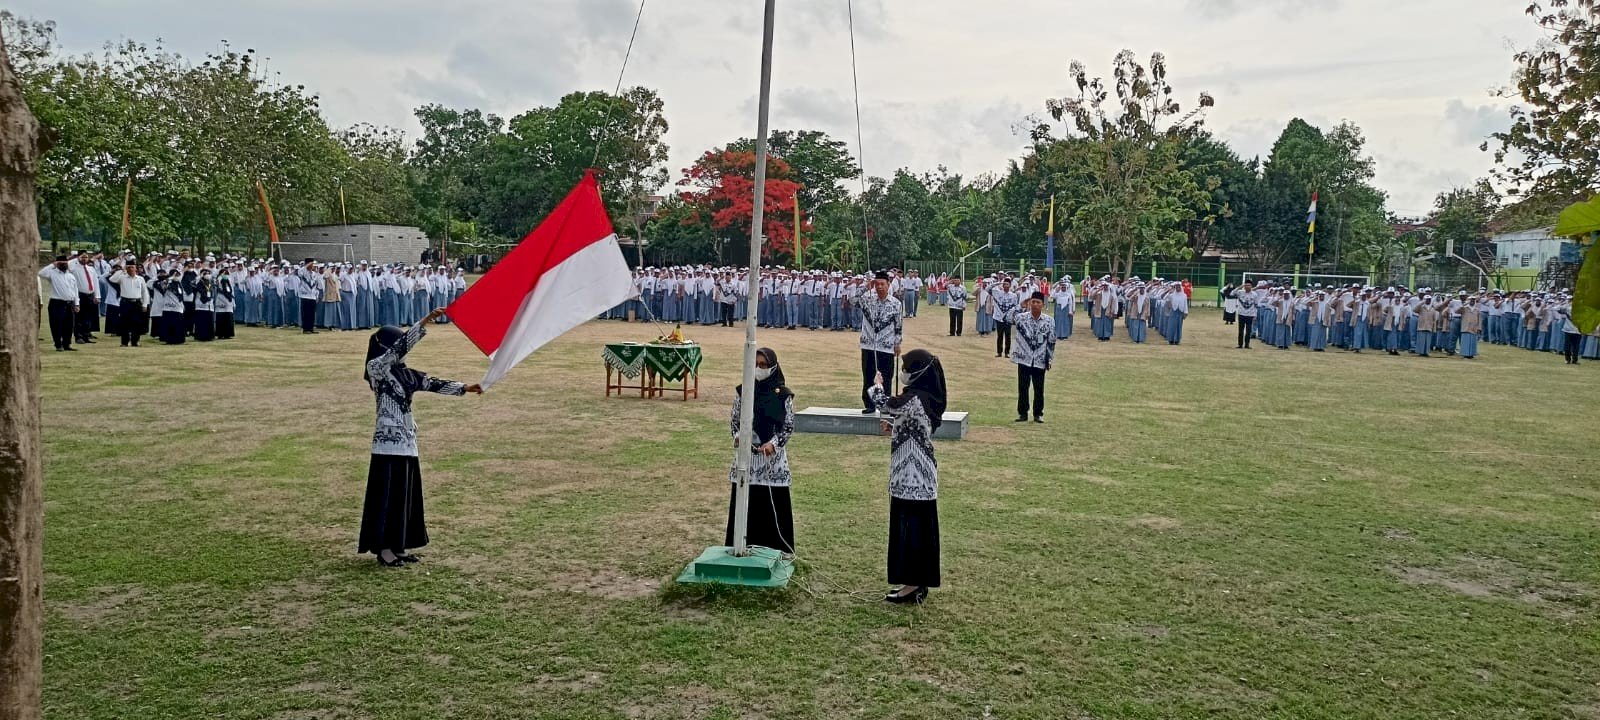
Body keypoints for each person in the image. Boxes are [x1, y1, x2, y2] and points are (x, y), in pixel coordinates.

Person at [361, 308, 482, 567]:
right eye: (397, 344)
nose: (400, 350)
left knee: (404, 496)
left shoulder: (405, 374)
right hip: (386, 444)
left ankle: (399, 545)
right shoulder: (377, 369)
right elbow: (396, 351)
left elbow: (432, 383)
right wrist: (423, 324)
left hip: (407, 443)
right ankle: (384, 549)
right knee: (387, 498)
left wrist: (465, 388)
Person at [868, 349, 946, 604]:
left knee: (911, 528)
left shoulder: (915, 398)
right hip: (917, 471)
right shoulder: (926, 398)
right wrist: (894, 427)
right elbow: (914, 426)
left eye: (906, 368)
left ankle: (913, 584)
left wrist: (877, 385)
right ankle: (916, 580)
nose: (903, 373)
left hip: (912, 474)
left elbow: (885, 403)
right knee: (917, 527)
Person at [725, 347, 796, 553]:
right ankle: (742, 545)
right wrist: (739, 438)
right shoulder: (744, 391)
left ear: (773, 367)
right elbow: (735, 421)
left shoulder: (783, 395)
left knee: (772, 503)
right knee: (746, 500)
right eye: (756, 365)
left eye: (763, 365)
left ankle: (777, 549)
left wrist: (773, 444)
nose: (758, 368)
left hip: (771, 459)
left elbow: (788, 425)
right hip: (748, 456)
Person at [858, 271, 904, 414]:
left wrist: (897, 343)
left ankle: (886, 404)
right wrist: (867, 286)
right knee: (868, 375)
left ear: (888, 285)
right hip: (868, 344)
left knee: (887, 376)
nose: (879, 287)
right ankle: (870, 404)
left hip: (886, 345)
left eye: (882, 284)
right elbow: (852, 299)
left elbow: (898, 325)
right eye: (877, 284)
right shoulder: (867, 299)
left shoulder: (895, 303)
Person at [1011, 292, 1056, 423]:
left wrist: (1049, 358)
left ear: (1043, 305)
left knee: (1039, 388)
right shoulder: (1021, 318)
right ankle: (1022, 413)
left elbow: (1051, 341)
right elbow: (1006, 318)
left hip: (1040, 358)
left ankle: (1038, 414)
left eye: (1038, 302)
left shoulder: (1049, 320)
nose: (1035, 305)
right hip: (1024, 357)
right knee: (1023, 387)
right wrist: (1020, 306)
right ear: (1029, 303)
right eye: (1033, 302)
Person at [38, 255, 80, 352]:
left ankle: (67, 344)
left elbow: (75, 291)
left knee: (69, 325)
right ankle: (58, 344)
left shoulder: (70, 276)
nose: (64, 265)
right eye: (62, 263)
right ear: (57, 263)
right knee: (57, 325)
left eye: (66, 263)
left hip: (69, 303)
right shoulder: (52, 274)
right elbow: (41, 273)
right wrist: (53, 265)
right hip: (57, 303)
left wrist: (76, 304)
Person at [109, 262, 149, 347]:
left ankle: (135, 341)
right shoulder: (122, 278)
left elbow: (144, 292)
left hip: (137, 302)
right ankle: (124, 342)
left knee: (136, 323)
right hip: (125, 302)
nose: (130, 269)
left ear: (135, 269)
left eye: (132, 267)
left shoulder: (140, 279)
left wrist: (145, 304)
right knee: (124, 323)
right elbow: (112, 279)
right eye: (129, 267)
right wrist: (121, 270)